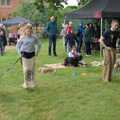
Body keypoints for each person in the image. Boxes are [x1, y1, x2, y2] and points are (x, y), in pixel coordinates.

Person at [16, 24, 41, 89]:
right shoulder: (22, 38)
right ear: (25, 31)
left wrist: (37, 52)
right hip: (24, 55)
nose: (29, 32)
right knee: (26, 70)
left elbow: (39, 44)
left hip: (32, 55)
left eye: (30, 31)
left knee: (32, 70)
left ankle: (32, 82)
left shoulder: (34, 37)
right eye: (27, 31)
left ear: (31, 31)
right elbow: (17, 46)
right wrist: (19, 54)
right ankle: (25, 83)